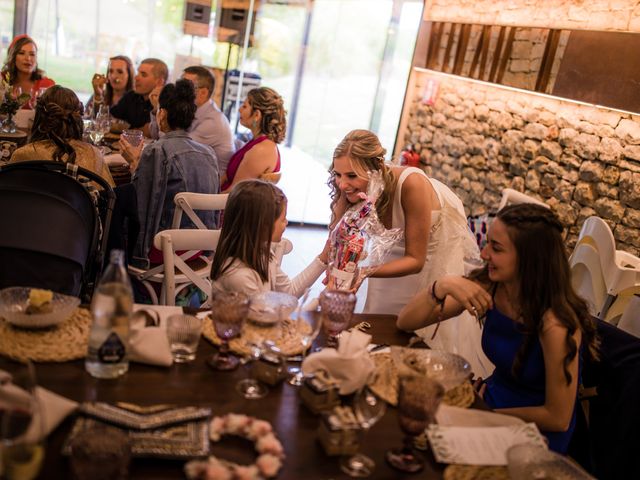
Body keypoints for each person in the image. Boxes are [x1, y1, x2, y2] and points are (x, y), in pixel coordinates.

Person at [397, 203, 600, 453]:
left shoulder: (556, 323)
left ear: (528, 258)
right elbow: (405, 322)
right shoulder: (493, 286)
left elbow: (558, 418)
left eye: (496, 247)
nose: (484, 254)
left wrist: (483, 413)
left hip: (533, 432)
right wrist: (443, 285)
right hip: (489, 401)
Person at [329, 129, 489, 375]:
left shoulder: (412, 184)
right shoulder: (349, 186)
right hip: (391, 250)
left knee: (409, 328)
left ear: (376, 168)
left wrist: (361, 272)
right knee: (377, 316)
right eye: (338, 174)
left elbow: (415, 260)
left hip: (428, 256)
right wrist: (338, 269)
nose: (343, 183)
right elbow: (336, 239)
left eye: (351, 175)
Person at [132, 79, 219, 263]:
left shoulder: (157, 151)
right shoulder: (209, 154)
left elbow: (141, 204)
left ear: (161, 114)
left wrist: (134, 163)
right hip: (200, 250)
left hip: (163, 250)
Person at [211, 180, 328, 298]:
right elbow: (263, 314)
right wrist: (321, 300)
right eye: (283, 219)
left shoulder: (263, 253)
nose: (286, 223)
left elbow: (289, 292)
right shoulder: (239, 277)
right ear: (263, 225)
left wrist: (323, 257)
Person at [10, 85, 114, 186]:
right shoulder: (94, 155)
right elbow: (109, 195)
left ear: (39, 117)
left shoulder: (23, 154)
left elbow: (7, 194)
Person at [220, 87, 285, 192]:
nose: (239, 109)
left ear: (256, 115)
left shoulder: (262, 149)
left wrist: (200, 203)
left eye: (244, 106)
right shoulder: (256, 141)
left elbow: (235, 194)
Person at [181, 65, 235, 173]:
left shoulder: (213, 121)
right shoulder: (193, 110)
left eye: (185, 87)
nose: (178, 91)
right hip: (195, 173)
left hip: (211, 185)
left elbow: (178, 147)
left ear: (203, 93)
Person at [110, 58, 167, 137]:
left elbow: (151, 131)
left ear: (159, 82)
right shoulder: (131, 96)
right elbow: (109, 118)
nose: (136, 78)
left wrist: (128, 131)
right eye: (138, 73)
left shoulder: (166, 103)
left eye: (143, 75)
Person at [1, 35, 54, 109]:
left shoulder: (47, 85)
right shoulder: (2, 80)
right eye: (21, 53)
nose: (28, 58)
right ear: (12, 57)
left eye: (32, 54)